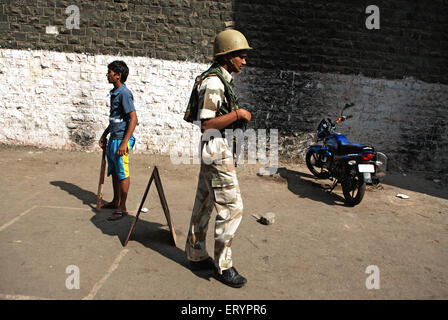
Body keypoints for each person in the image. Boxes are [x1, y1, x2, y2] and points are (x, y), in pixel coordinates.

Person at [184, 29, 253, 288]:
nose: (244, 61)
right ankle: (224, 267)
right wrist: (239, 115)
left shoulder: (221, 78)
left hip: (215, 147)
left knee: (204, 203)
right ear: (227, 57)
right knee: (232, 208)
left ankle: (196, 253)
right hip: (215, 149)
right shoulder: (213, 82)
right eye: (241, 56)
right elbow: (207, 124)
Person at [99, 60, 138, 221]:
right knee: (114, 171)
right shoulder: (114, 93)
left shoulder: (124, 94)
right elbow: (115, 119)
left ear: (118, 75)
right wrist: (105, 134)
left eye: (110, 72)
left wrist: (124, 143)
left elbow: (133, 119)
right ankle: (116, 201)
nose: (107, 75)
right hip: (114, 138)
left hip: (122, 140)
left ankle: (123, 208)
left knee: (122, 173)